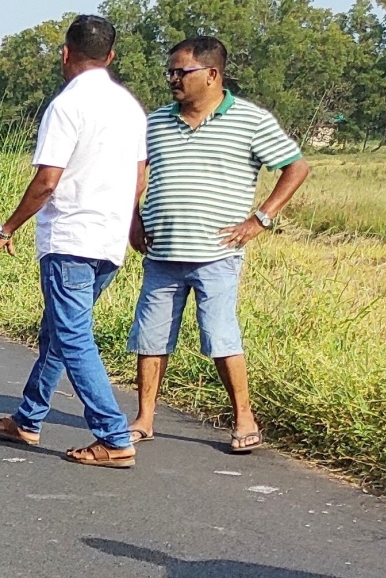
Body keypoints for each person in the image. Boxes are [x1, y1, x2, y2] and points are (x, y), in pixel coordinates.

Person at [0, 17, 146, 468]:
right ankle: (27, 419)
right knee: (57, 332)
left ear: (66, 53)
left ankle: (112, 435)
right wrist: (124, 219)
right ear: (110, 56)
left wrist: (6, 228)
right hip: (108, 239)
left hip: (71, 237)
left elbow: (48, 180)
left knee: (72, 337)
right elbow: (140, 174)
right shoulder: (129, 107)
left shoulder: (67, 105)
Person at [127, 36, 310, 453]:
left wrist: (261, 218)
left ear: (211, 75)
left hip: (217, 254)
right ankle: (144, 417)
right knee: (151, 337)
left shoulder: (250, 120)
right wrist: (133, 219)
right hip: (162, 252)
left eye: (181, 72)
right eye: (170, 72)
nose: (173, 79)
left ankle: (244, 418)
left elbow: (296, 166)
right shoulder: (155, 122)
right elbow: (136, 176)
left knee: (220, 336)